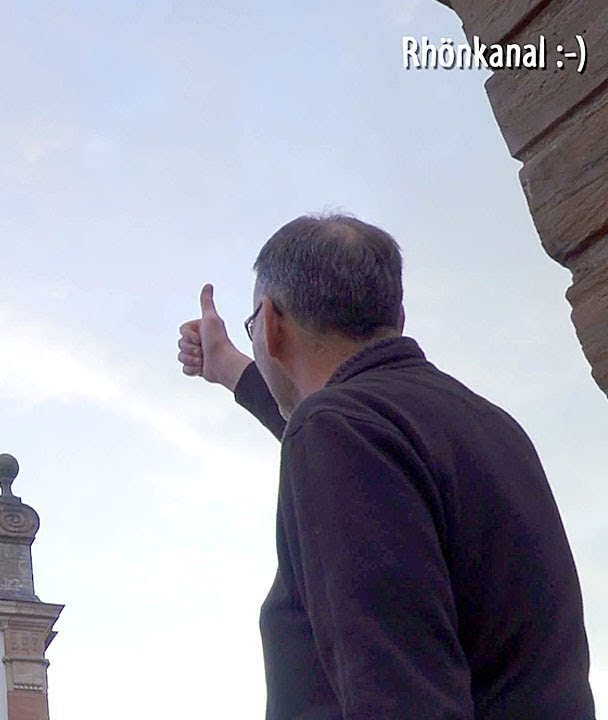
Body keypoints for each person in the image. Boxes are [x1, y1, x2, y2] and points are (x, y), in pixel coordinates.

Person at [177, 214, 594, 719]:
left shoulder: (337, 429)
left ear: (270, 322)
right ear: (396, 315)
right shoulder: (489, 425)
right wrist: (229, 367)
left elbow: (397, 695)